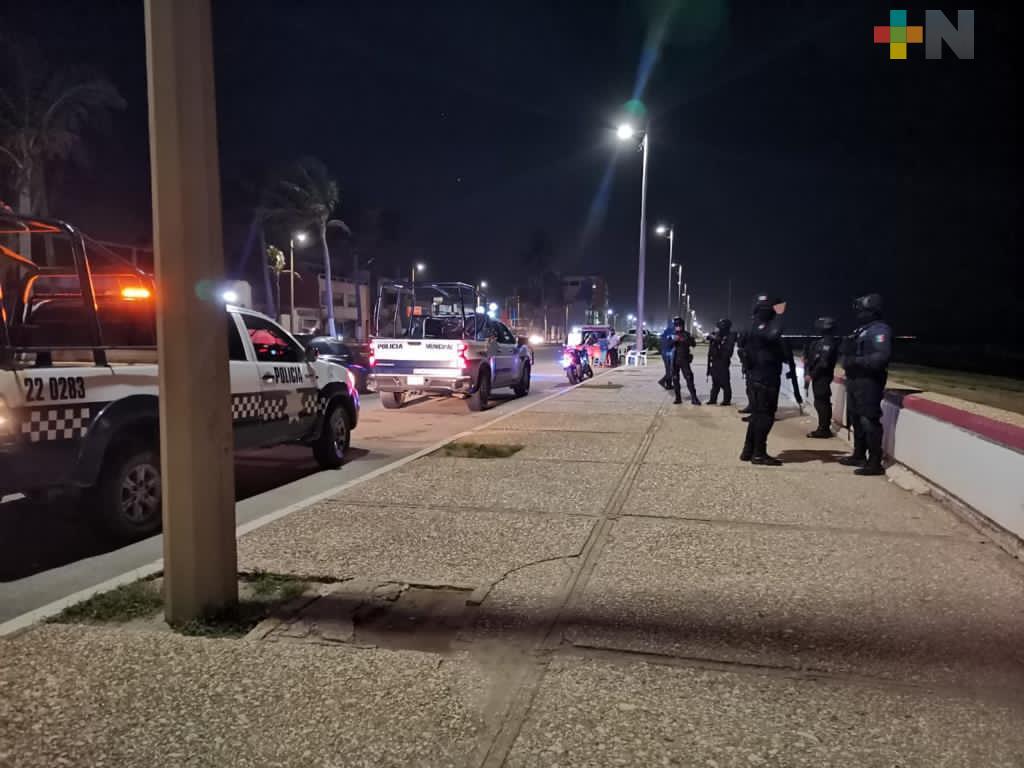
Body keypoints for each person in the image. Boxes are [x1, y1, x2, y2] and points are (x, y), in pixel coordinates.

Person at [839, 294, 892, 476]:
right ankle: (859, 454)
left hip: (869, 382)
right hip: (855, 381)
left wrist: (854, 361)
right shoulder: (862, 330)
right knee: (855, 418)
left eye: (862, 311)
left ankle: (874, 462)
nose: (859, 314)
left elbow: (881, 357)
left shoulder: (879, 330)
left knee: (869, 420)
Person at [741, 295, 786, 465]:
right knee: (766, 417)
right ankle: (759, 453)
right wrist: (780, 315)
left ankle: (748, 450)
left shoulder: (749, 326)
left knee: (757, 416)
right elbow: (775, 334)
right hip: (766, 377)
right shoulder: (764, 328)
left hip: (755, 376)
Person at [804, 316, 840, 438]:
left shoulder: (828, 342)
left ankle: (824, 429)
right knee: (819, 402)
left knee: (822, 403)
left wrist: (811, 375)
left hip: (822, 377)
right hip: (818, 376)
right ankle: (822, 427)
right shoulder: (820, 341)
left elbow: (824, 363)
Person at [670, 316, 701, 405]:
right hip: (675, 360)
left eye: (679, 325)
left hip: (684, 360)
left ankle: (694, 398)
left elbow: (693, 344)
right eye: (676, 325)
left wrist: (684, 339)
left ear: (682, 325)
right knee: (675, 379)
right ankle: (678, 398)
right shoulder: (672, 334)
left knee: (689, 378)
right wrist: (673, 341)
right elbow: (668, 346)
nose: (678, 327)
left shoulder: (686, 334)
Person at [706, 318, 736, 405]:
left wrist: (717, 340)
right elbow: (710, 341)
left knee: (724, 382)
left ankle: (726, 400)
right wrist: (713, 338)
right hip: (714, 361)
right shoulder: (717, 335)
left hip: (723, 361)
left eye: (719, 327)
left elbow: (728, 350)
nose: (717, 328)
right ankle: (713, 399)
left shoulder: (730, 335)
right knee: (715, 382)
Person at [736, 330, 752, 416]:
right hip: (749, 370)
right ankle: (751, 407)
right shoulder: (743, 349)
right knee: (749, 390)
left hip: (757, 371)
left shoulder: (752, 346)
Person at [658, 322, 674, 389]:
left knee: (668, 369)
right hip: (668, 354)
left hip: (664, 353)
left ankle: (669, 385)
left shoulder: (664, 334)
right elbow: (670, 344)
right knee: (670, 370)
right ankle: (662, 381)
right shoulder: (671, 333)